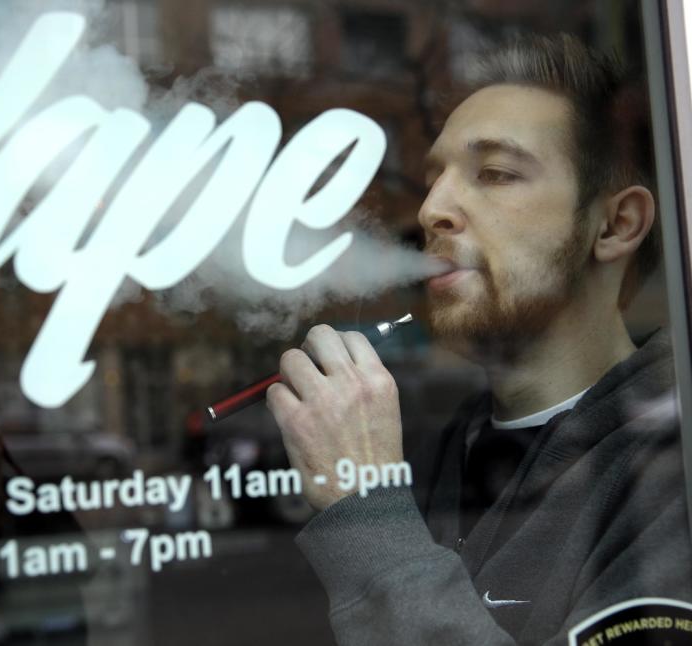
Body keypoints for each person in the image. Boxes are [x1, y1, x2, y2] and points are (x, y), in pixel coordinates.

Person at [266, 34, 692, 644]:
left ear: (615, 224)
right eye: (434, 176)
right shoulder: (444, 450)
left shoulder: (673, 467)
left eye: (494, 173)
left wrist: (368, 509)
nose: (432, 208)